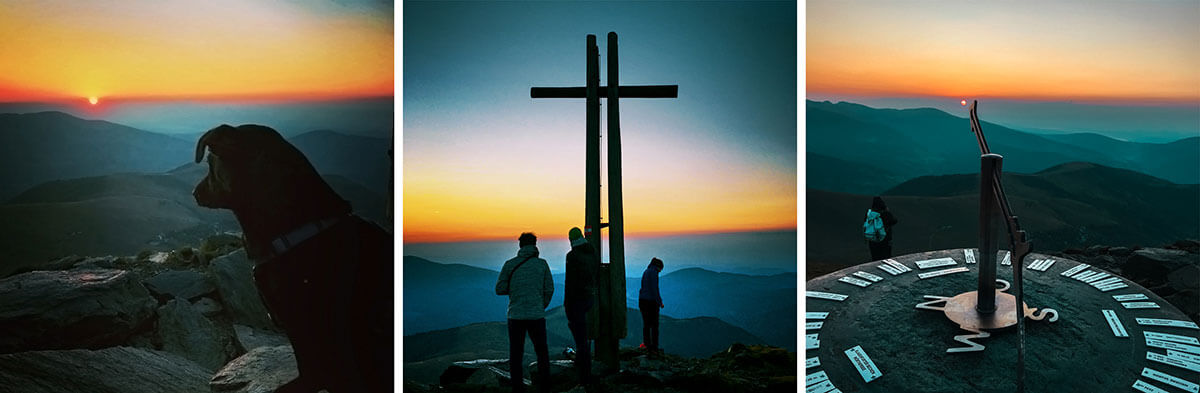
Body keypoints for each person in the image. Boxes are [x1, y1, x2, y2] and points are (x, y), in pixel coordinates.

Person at [495, 232, 554, 393]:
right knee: (542, 351)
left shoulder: (509, 264)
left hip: (516, 315)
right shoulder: (542, 264)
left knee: (516, 352)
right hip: (536, 315)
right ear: (535, 245)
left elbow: (499, 289)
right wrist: (541, 306)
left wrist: (516, 289)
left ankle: (517, 387)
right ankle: (545, 386)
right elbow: (549, 288)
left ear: (520, 246)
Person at [563, 227, 597, 385]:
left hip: (576, 300)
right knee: (581, 333)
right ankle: (584, 366)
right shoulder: (591, 252)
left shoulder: (572, 256)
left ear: (571, 240)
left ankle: (584, 374)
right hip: (589, 298)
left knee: (580, 336)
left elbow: (570, 283)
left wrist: (567, 304)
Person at [638, 257, 665, 353]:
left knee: (646, 324)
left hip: (642, 301)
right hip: (651, 303)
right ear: (658, 267)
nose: (660, 271)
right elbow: (655, 289)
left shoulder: (646, 271)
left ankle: (646, 344)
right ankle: (654, 347)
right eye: (661, 269)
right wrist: (660, 302)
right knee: (654, 325)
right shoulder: (654, 273)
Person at [866, 196, 899, 261]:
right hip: (885, 239)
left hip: (872, 239)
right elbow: (894, 221)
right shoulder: (885, 213)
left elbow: (866, 222)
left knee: (875, 257)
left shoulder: (870, 214)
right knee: (886, 256)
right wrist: (888, 211)